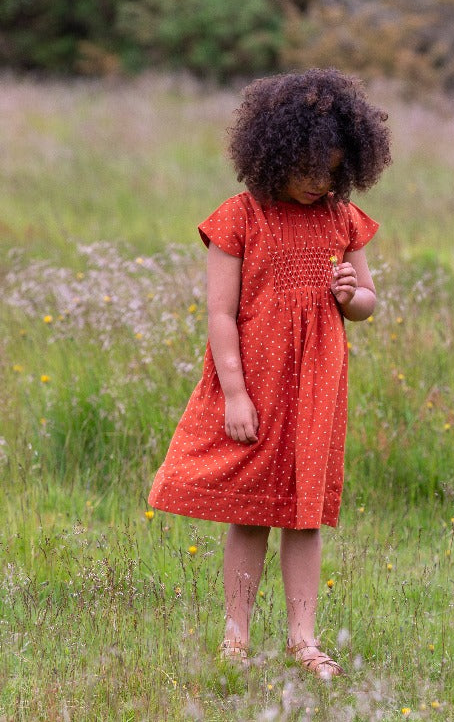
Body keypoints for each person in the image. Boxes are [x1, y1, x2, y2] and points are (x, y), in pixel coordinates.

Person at [148, 68, 391, 678]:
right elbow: (220, 316)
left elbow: (366, 304)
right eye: (308, 170)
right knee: (252, 511)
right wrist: (234, 393)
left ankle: (303, 640)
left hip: (317, 385)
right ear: (274, 153)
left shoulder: (342, 219)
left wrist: (347, 294)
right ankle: (236, 636)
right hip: (255, 383)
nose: (320, 183)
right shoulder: (240, 218)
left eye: (332, 171)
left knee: (304, 514)